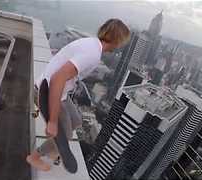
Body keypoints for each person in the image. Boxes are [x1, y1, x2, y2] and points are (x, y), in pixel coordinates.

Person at [26, 18, 130, 171]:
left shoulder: (92, 43)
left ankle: (53, 149)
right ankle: (34, 157)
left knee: (76, 120)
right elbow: (58, 78)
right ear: (117, 41)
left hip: (58, 90)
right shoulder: (92, 53)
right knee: (64, 135)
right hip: (47, 92)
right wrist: (53, 121)